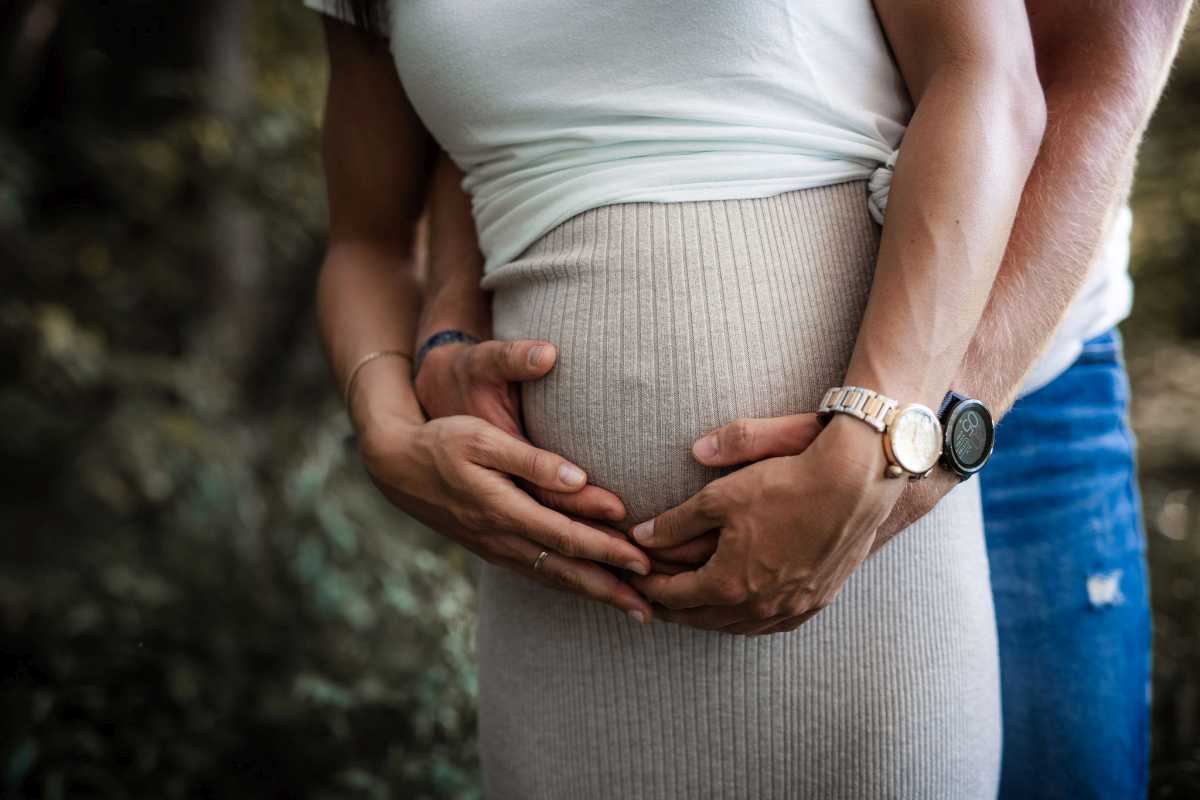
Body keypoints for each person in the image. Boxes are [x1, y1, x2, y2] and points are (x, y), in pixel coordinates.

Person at [306, 0, 1046, 797]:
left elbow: (988, 79)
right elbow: (368, 242)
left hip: (861, 560)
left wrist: (877, 438)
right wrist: (387, 432)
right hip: (561, 605)